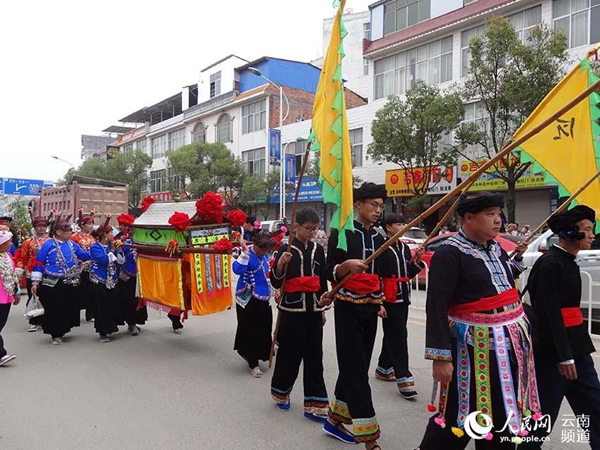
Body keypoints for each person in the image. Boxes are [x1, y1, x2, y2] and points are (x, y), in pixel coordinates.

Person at [416, 191, 536, 450]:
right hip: (470, 351)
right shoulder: (449, 254)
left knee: (502, 410)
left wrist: (514, 258)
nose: (498, 220)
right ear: (469, 218)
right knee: (460, 414)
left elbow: (498, 282)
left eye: (498, 214)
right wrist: (441, 357)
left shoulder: (495, 247)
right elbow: (436, 306)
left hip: (505, 349)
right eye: (490, 215)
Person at [523, 205, 600, 448]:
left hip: (577, 349)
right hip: (553, 355)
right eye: (586, 230)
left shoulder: (569, 261)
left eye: (592, 229)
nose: (592, 235)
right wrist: (563, 357)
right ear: (570, 233)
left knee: (594, 407)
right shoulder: (550, 264)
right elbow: (549, 314)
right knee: (542, 417)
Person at [321, 182, 389, 450]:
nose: (378, 211)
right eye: (374, 205)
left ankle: (334, 419)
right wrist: (343, 267)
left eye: (381, 207)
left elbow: (381, 275)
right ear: (358, 204)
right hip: (348, 306)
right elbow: (327, 269)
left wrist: (381, 301)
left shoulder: (381, 238)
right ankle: (369, 437)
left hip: (371, 308)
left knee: (356, 366)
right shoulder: (341, 232)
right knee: (356, 371)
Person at [270, 207, 329, 421]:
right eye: (308, 229)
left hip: (313, 310)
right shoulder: (285, 249)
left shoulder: (318, 249)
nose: (312, 233)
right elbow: (276, 282)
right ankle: (281, 393)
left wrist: (322, 305)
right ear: (296, 227)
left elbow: (321, 280)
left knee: (315, 357)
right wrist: (280, 265)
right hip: (291, 310)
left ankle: (315, 404)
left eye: (315, 229)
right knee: (289, 355)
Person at [375, 215, 424, 400]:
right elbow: (376, 276)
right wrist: (378, 301)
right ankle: (404, 378)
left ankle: (384, 368)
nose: (403, 226)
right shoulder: (382, 248)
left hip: (403, 296)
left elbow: (408, 273)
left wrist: (417, 260)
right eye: (399, 224)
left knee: (395, 333)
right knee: (399, 335)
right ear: (388, 227)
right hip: (388, 297)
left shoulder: (403, 248)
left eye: (403, 223)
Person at [31, 216, 90, 345]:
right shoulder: (48, 244)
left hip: (69, 281)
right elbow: (39, 263)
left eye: (70, 230)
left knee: (68, 307)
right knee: (55, 309)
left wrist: (99, 249)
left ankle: (63, 329)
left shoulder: (72, 245)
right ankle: (55, 333)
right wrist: (35, 282)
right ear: (58, 232)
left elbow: (85, 256)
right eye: (67, 230)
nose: (70, 232)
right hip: (53, 282)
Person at [233, 230, 275, 378]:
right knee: (250, 330)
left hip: (263, 296)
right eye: (262, 247)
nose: (264, 251)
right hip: (248, 298)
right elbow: (236, 269)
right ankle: (253, 362)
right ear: (255, 244)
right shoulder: (246, 254)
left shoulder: (265, 256)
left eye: (267, 248)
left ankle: (261, 353)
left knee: (264, 327)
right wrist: (244, 254)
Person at [89, 216, 125, 343]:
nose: (113, 235)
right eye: (110, 233)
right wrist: (113, 250)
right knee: (101, 307)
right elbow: (105, 260)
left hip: (113, 279)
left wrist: (119, 250)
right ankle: (102, 332)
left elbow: (120, 261)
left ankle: (111, 327)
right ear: (104, 235)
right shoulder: (95, 247)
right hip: (99, 280)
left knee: (112, 304)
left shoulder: (112, 246)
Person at [16, 215, 50, 332]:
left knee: (46, 295)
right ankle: (34, 322)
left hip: (47, 272)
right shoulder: (28, 242)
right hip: (32, 272)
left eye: (44, 226)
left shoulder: (51, 241)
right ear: (34, 227)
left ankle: (46, 320)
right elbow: (22, 258)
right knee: (34, 295)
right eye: (39, 226)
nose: (41, 228)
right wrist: (19, 271)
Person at [116, 215, 147, 336]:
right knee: (129, 301)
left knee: (139, 301)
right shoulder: (124, 243)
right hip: (127, 277)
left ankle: (136, 321)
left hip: (139, 276)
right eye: (132, 230)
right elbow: (119, 260)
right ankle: (131, 323)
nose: (133, 233)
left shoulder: (142, 243)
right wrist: (119, 249)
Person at [71, 209, 96, 322]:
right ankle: (74, 314)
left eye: (92, 223)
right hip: (79, 267)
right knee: (77, 291)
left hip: (91, 267)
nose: (91, 226)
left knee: (91, 291)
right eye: (89, 224)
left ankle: (90, 314)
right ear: (82, 225)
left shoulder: (92, 238)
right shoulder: (74, 237)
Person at [0, 225, 20, 366]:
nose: (11, 243)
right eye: (9, 241)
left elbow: (13, 274)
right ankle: (1, 354)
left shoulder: (8, 255)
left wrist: (16, 291)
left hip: (6, 296)